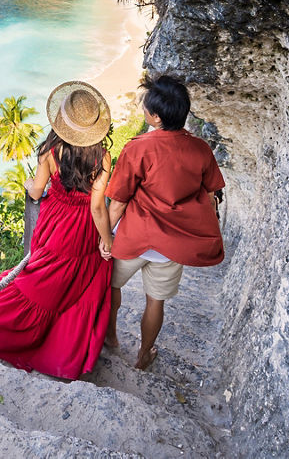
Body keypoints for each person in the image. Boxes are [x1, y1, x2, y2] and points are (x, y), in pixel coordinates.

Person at [0, 80, 115, 380]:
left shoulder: (51, 151)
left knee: (42, 280)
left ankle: (14, 334)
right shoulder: (101, 158)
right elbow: (97, 207)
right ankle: (66, 353)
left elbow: (37, 193)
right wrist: (107, 241)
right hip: (84, 231)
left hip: (54, 225)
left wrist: (30, 185)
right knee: (77, 287)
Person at [100, 74, 225, 370]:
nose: (143, 111)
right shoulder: (200, 149)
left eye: (146, 108)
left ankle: (112, 338)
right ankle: (143, 355)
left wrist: (105, 238)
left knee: (111, 289)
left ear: (155, 117)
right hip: (172, 245)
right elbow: (210, 196)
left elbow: (117, 202)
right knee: (155, 302)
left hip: (133, 239)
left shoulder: (138, 148)